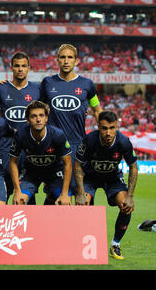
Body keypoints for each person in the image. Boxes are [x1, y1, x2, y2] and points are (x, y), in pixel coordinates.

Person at [40, 43, 102, 203]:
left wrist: (103, 135)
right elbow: (40, 109)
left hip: (78, 145)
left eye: (70, 57)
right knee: (55, 194)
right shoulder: (47, 83)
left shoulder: (87, 85)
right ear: (57, 60)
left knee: (82, 194)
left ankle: (86, 228)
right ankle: (52, 228)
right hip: (54, 146)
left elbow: (97, 109)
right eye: (62, 57)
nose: (66, 61)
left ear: (76, 61)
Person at [74, 110, 138, 260]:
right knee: (82, 205)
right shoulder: (89, 140)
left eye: (112, 128)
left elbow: (133, 167)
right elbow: (78, 164)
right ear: (98, 127)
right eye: (104, 128)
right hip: (90, 177)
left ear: (117, 127)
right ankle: (83, 243)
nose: (108, 132)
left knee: (125, 206)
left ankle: (115, 244)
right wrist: (80, 192)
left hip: (112, 177)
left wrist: (130, 196)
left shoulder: (123, 142)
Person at [0, 51, 40, 203]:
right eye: (17, 66)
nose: (20, 69)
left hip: (29, 147)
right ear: (11, 68)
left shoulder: (37, 90)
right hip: (5, 146)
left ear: (29, 68)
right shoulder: (0, 88)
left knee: (28, 195)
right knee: (3, 194)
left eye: (23, 66)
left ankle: (29, 226)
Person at [9, 100, 72, 206]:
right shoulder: (21, 135)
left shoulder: (58, 135)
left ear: (46, 118)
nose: (38, 119)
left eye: (41, 115)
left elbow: (68, 163)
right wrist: (17, 191)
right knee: (19, 202)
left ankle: (51, 199)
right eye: (33, 116)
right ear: (28, 120)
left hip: (55, 173)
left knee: (64, 202)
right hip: (31, 173)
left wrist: (65, 193)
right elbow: (13, 162)